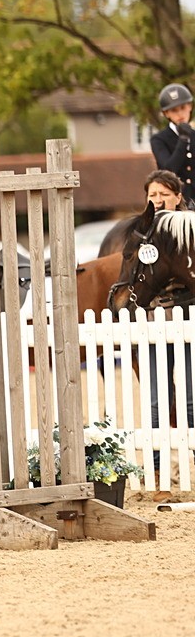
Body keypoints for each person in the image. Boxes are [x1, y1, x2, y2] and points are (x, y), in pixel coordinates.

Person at [137, 170, 194, 498]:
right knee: (157, 401)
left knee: (190, 399)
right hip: (153, 322)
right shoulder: (142, 231)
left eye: (164, 194)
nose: (157, 201)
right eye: (152, 195)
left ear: (177, 197)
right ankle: (159, 471)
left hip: (187, 322)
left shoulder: (190, 227)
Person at [150, 83, 195, 204]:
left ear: (190, 107)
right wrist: (183, 139)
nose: (180, 114)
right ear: (166, 113)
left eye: (183, 108)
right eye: (174, 110)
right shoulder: (159, 139)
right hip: (175, 201)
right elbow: (168, 170)